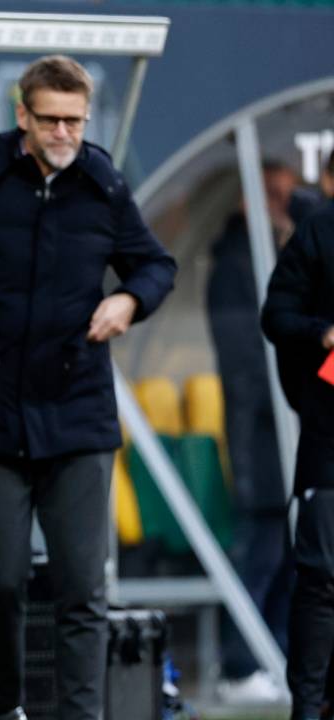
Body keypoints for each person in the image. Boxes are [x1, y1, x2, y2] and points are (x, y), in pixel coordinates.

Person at [0, 55, 176, 720]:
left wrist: (129, 301)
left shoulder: (103, 185)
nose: (63, 132)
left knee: (82, 587)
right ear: (23, 115)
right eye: (49, 119)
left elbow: (155, 264)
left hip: (76, 413)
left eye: (74, 120)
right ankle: (3, 710)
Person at [208, 160, 317, 704]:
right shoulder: (235, 264)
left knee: (285, 555)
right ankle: (238, 665)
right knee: (258, 551)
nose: (286, 203)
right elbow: (245, 361)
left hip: (283, 431)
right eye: (275, 192)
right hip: (259, 435)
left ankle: (267, 656)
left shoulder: (274, 257)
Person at [262, 149, 334, 720]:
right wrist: (325, 334)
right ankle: (308, 708)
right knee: (322, 579)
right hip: (330, 439)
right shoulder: (318, 233)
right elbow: (276, 316)